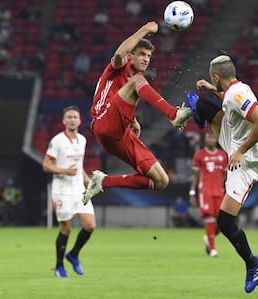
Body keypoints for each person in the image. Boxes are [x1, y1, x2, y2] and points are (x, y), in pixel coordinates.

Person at [186, 55, 258, 293]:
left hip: (247, 161)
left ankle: (252, 262)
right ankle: (199, 117)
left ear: (217, 75)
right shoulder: (237, 89)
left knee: (224, 221)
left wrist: (240, 152)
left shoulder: (238, 94)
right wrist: (213, 89)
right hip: (234, 136)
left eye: (213, 79)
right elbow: (231, 102)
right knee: (199, 102)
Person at [82, 22, 192, 204]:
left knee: (161, 180)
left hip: (119, 134)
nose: (146, 59)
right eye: (142, 54)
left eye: (149, 56)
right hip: (102, 122)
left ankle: (104, 181)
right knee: (136, 81)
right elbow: (119, 54)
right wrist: (145, 30)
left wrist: (132, 120)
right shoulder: (118, 68)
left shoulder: (134, 81)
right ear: (131, 56)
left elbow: (122, 99)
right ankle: (173, 114)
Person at [42, 105, 96, 278]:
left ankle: (73, 254)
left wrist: (87, 179)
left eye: (75, 117)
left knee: (90, 225)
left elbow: (78, 167)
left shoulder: (82, 140)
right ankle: (59, 266)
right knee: (66, 229)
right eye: (69, 117)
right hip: (62, 190)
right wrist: (65, 171)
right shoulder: (57, 141)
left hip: (79, 189)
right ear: (64, 120)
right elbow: (46, 165)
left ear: (80, 121)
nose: (72, 120)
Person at [189, 130, 228, 257]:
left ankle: (209, 238)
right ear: (205, 139)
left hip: (219, 191)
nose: (210, 140)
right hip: (205, 191)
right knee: (209, 218)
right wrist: (192, 192)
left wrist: (229, 191)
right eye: (208, 138)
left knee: (224, 222)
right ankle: (212, 249)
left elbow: (226, 175)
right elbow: (195, 175)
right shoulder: (199, 155)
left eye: (213, 138)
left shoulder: (223, 155)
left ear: (216, 139)